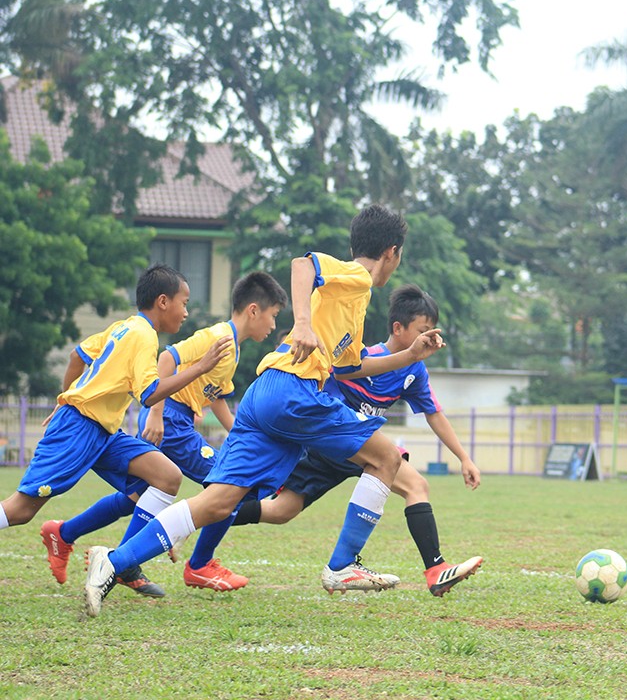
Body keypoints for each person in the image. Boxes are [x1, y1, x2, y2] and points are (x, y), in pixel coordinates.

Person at [83, 204, 444, 617]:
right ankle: (342, 565)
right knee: (386, 458)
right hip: (294, 392)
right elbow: (303, 265)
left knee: (218, 502)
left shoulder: (354, 298)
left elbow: (350, 367)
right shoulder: (357, 275)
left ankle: (114, 560)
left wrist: (410, 355)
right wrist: (302, 323)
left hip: (266, 394)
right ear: (392, 252)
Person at [40, 271, 287, 597]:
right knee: (232, 486)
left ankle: (64, 534)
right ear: (254, 310)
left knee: (139, 495)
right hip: (170, 421)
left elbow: (216, 399)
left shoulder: (233, 350)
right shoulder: (218, 336)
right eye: (273, 315)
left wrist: (241, 434)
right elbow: (167, 358)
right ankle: (199, 565)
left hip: (175, 420)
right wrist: (156, 413)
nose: (273, 325)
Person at [230, 284, 483, 596]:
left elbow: (434, 413)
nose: (429, 338)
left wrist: (464, 458)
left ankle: (213, 514)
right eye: (422, 331)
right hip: (331, 439)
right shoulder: (365, 357)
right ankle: (430, 568)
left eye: (432, 332)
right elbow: (324, 377)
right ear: (398, 328)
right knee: (412, 482)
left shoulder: (414, 371)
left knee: (282, 511)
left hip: (356, 447)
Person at [1, 265, 231, 583]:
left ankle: (122, 562)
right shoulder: (143, 336)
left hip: (104, 432)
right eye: (184, 302)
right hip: (79, 427)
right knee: (21, 510)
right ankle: (102, 554)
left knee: (166, 477)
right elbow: (150, 394)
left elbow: (77, 356)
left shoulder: (124, 327)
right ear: (163, 301)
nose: (186, 312)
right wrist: (201, 367)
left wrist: (66, 397)